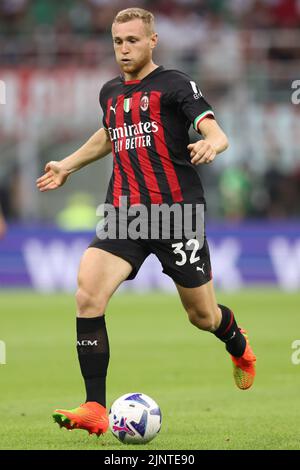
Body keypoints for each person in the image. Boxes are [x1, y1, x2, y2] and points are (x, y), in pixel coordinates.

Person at [37, 7, 256, 437]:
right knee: (87, 294)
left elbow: (214, 130)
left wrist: (213, 144)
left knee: (203, 316)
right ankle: (96, 407)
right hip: (126, 215)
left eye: (132, 41)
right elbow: (108, 133)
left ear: (152, 41)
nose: (124, 49)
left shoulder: (174, 85)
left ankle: (237, 344)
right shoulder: (110, 93)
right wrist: (67, 165)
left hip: (177, 214)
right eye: (118, 41)